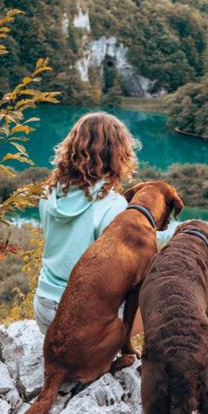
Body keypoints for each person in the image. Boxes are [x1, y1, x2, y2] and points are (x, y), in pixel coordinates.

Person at [33, 112, 138, 334]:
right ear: (117, 154)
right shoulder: (114, 205)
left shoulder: (48, 194)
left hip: (43, 311)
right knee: (152, 297)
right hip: (78, 319)